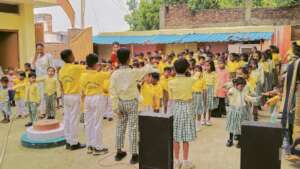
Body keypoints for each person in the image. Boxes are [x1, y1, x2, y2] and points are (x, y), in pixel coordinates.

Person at [110, 47, 154, 164]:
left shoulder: (114, 74)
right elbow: (147, 69)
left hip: (120, 103)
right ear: (129, 59)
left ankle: (119, 152)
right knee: (133, 128)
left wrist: (115, 108)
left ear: (118, 59)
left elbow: (112, 92)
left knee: (120, 127)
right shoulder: (133, 72)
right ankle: (134, 155)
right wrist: (147, 60)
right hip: (132, 103)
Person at [168, 58, 197, 169]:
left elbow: (171, 99)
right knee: (185, 137)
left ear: (174, 69)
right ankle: (185, 162)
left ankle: (176, 161)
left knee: (176, 136)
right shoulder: (191, 80)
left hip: (176, 108)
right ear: (187, 68)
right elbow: (197, 76)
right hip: (187, 108)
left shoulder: (170, 82)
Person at [80, 53, 110, 155]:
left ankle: (90, 145)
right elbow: (111, 73)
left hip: (87, 99)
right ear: (96, 63)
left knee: (88, 123)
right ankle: (98, 147)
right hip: (98, 98)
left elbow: (83, 87)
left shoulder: (83, 75)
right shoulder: (101, 74)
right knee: (97, 123)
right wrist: (105, 67)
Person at [59, 49, 86, 150]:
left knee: (67, 119)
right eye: (73, 55)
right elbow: (89, 68)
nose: (74, 57)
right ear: (70, 57)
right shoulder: (76, 68)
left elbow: (61, 85)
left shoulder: (61, 70)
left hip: (66, 96)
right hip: (74, 96)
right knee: (74, 120)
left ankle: (68, 141)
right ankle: (74, 143)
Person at [32, 43, 54, 118]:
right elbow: (32, 67)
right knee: (40, 95)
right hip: (38, 79)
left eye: (40, 48)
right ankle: (43, 111)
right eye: (38, 49)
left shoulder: (48, 56)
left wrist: (53, 79)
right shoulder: (37, 57)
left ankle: (45, 112)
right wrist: (35, 56)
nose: (39, 50)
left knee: (46, 95)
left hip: (46, 78)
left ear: (43, 48)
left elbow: (52, 67)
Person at [226, 77, 248, 148]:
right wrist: (230, 93)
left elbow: (246, 98)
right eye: (241, 86)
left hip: (241, 110)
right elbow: (229, 93)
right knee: (232, 125)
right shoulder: (232, 90)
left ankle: (239, 140)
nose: (242, 88)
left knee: (239, 126)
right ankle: (230, 139)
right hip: (233, 110)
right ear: (236, 85)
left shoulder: (243, 91)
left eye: (243, 86)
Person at [203, 60, 218, 126]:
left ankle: (209, 119)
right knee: (204, 104)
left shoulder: (214, 73)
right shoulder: (203, 73)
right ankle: (203, 119)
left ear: (211, 66)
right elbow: (202, 82)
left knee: (209, 105)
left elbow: (216, 83)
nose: (207, 67)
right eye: (205, 65)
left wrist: (215, 93)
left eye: (208, 65)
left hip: (211, 89)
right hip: (204, 89)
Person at [192, 65, 205, 131]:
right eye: (195, 70)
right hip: (193, 95)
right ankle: (193, 125)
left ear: (201, 72)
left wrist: (204, 99)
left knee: (199, 110)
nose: (197, 72)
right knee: (193, 110)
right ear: (193, 71)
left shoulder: (202, 80)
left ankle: (198, 124)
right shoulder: (191, 79)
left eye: (198, 71)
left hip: (199, 95)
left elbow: (204, 89)